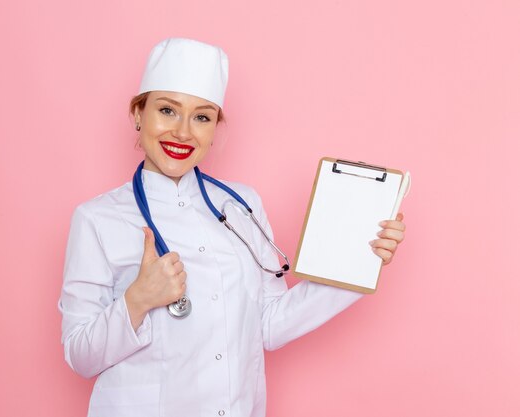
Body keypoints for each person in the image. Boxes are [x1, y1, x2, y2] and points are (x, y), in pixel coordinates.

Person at [59, 38, 406, 417]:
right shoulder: (97, 218)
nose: (183, 132)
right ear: (138, 114)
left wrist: (360, 258)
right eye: (167, 110)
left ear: (214, 128)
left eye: (202, 117)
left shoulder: (241, 204)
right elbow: (80, 355)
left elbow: (270, 324)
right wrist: (138, 300)